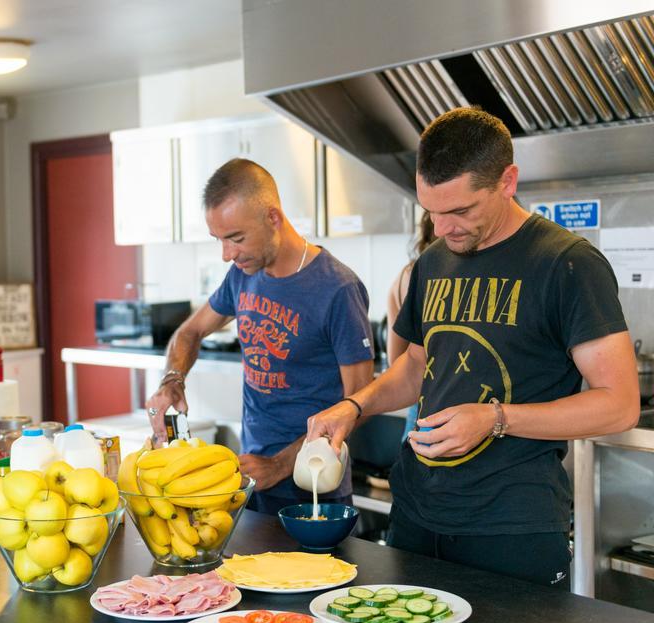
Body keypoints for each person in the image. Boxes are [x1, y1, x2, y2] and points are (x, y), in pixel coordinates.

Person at [308, 107, 639, 587]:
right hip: (417, 513)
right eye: (432, 212)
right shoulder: (434, 262)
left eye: (460, 211)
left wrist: (496, 417)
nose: (442, 229)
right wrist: (354, 406)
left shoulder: (567, 264)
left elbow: (621, 404)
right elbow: (416, 367)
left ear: (508, 181)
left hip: (511, 529)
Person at [146, 158, 374, 514]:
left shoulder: (337, 288)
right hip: (249, 478)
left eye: (236, 238)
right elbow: (190, 331)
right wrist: (172, 379)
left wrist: (280, 465)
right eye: (219, 240)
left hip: (313, 486)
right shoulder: (242, 274)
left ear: (273, 218)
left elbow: (359, 402)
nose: (226, 255)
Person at [386, 213, 436, 441]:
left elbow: (396, 361)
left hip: (420, 410)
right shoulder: (432, 275)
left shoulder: (405, 278)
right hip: (459, 412)